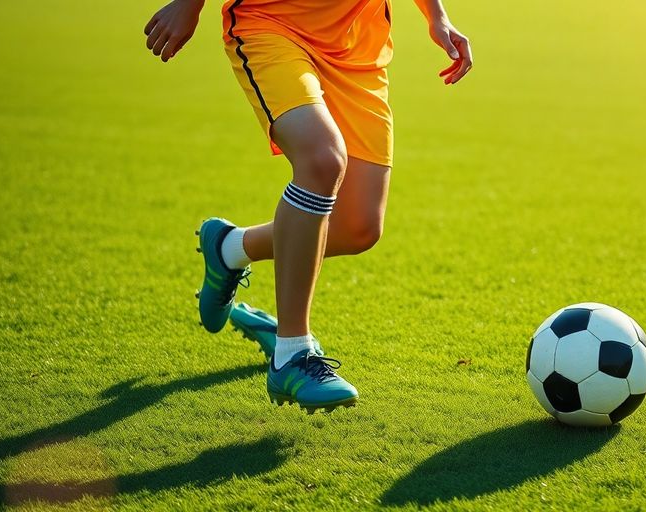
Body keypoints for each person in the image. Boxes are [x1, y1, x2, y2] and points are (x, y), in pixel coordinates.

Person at [143, 0, 473, 412]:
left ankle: (230, 248)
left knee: (358, 227)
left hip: (357, 42)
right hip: (273, 22)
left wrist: (436, 16)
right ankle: (292, 353)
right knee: (322, 158)